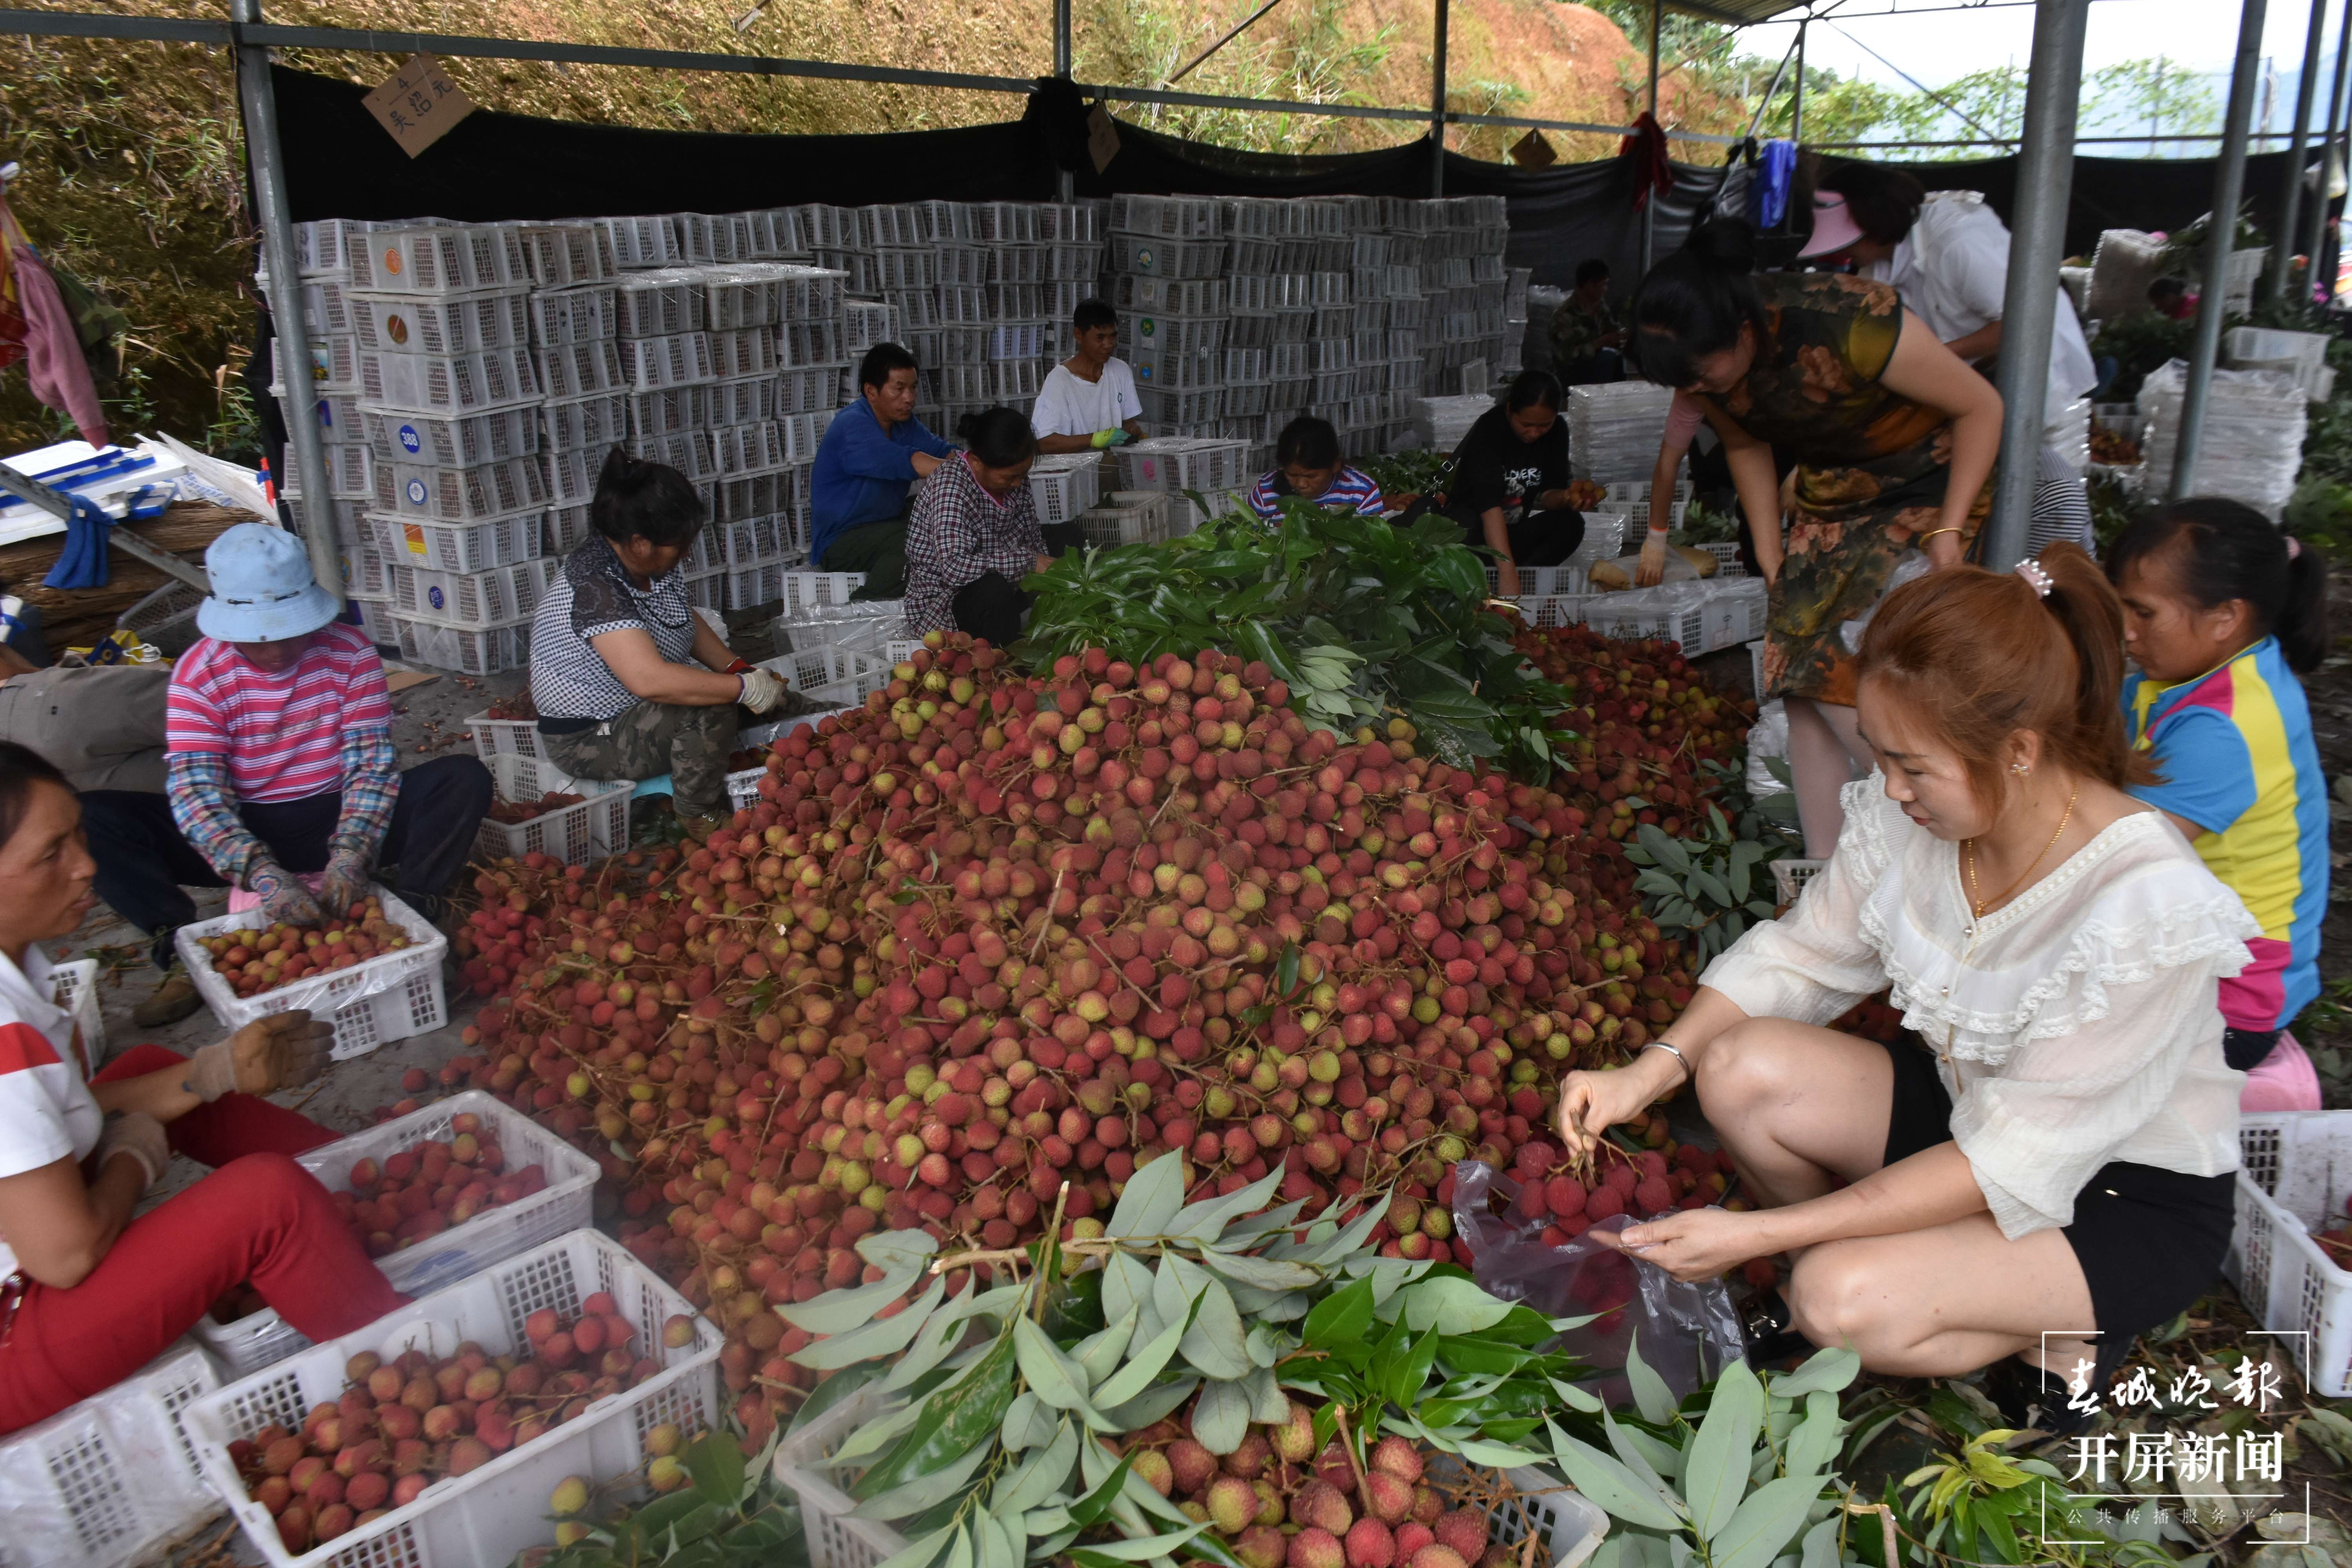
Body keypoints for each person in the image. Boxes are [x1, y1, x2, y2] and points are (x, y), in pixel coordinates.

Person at [1556, 548, 2252, 1401]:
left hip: (2118, 1192)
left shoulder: (2146, 907)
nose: (1889, 790)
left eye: (1913, 767)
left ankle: (2056, 1327)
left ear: (2020, 750)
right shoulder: (1918, 826)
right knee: (1736, 1066)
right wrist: (1649, 1070)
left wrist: (1761, 1233)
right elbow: (1798, 955)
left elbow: (2008, 1158)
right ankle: (1885, 1276)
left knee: (1838, 1297)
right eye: (1880, 757)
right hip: (1970, 1112)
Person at [0, 742, 405, 1433]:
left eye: (78, 835)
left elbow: (63, 1113)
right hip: (17, 1334)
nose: (86, 865)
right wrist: (133, 1157)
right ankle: (407, 1365)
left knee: (145, 1069)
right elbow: (64, 1256)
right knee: (266, 1198)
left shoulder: (19, 970)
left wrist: (216, 1072)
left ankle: (380, 1186)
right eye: (50, 854)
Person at [1630, 218, 2004, 860]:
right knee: (1796, 677)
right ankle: (1828, 867)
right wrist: (1770, 552)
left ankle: (1957, 823)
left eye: (1700, 373)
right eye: (1681, 381)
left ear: (1743, 328)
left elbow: (1981, 407)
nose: (1694, 389)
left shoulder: (1849, 318)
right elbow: (1746, 443)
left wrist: (1949, 529)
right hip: (1833, 496)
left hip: (1930, 487)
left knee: (1871, 673)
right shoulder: (1707, 374)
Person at [78, 524, 492, 1026]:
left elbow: (370, 766)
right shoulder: (198, 675)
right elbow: (198, 792)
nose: (276, 651)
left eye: (289, 632)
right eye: (259, 638)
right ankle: (183, 950)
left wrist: (352, 851)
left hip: (337, 813)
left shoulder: (350, 652)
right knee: (92, 820)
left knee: (463, 779)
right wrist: (259, 870)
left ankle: (410, 914)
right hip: (247, 824)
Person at [2110, 500, 2330, 1111]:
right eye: (2121, 606)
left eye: (2144, 612)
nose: (2127, 631)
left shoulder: (2223, 728)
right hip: (2202, 966)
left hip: (2229, 1004)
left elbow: (2107, 857)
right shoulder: (2205, 674)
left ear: (2226, 617)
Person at [529, 451, 786, 834]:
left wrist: (740, 670)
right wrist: (741, 688)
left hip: (635, 712)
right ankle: (697, 814)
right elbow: (650, 680)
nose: (686, 553)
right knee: (711, 707)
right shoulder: (595, 587)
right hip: (591, 736)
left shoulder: (647, 564)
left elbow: (682, 617)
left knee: (769, 698)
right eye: (679, 545)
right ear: (639, 543)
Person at [1797, 163, 2097, 427]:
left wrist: (1930, 359)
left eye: (1846, 240)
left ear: (1874, 224)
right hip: (1972, 391)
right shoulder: (1875, 264)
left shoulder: (1959, 244)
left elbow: (2022, 325)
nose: (1840, 251)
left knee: (2035, 468)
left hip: (2038, 382)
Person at [810, 343, 955, 599]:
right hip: (842, 541)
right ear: (871, 391)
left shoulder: (904, 423)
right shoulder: (852, 424)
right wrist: (968, 474)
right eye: (899, 389)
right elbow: (907, 462)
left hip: (886, 524)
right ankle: (863, 608)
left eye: (913, 388)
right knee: (915, 539)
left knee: (941, 518)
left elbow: (942, 450)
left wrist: (965, 463)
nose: (909, 398)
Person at [904, 409, 1053, 646]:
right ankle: (1003, 660)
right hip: (945, 603)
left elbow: (1034, 539)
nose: (1018, 483)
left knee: (1065, 538)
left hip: (1005, 578)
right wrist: (1029, 561)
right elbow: (954, 568)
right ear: (976, 462)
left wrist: (1052, 579)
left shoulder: (1017, 481)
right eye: (1009, 477)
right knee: (993, 589)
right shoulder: (950, 487)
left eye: (1023, 474)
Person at [1439, 370, 1586, 597]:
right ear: (1510, 411)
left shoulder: (1557, 431)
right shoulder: (1490, 428)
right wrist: (1507, 574)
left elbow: (1548, 495)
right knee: (1468, 530)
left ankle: (1527, 579)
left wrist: (1567, 498)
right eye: (1526, 424)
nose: (1534, 433)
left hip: (1511, 533)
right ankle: (1492, 581)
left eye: (1544, 425)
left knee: (1571, 523)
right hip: (1472, 536)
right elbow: (1489, 508)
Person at [1031, 301, 1146, 455]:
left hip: (1112, 464)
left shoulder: (1121, 370)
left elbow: (1128, 422)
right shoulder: (1059, 380)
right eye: (1100, 338)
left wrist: (1132, 432)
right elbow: (1043, 443)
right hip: (1076, 469)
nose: (1108, 345)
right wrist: (1094, 439)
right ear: (1079, 335)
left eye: (1113, 337)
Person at [1246, 417, 1384, 524]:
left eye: (1311, 476)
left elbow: (1373, 544)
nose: (1301, 484)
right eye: (1292, 475)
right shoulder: (1265, 492)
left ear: (1336, 465)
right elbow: (1249, 535)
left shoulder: (1362, 492)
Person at [1550, 260, 1627, 386]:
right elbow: (1566, 357)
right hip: (1570, 374)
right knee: (1607, 358)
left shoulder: (1600, 307)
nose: (1606, 289)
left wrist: (1622, 335)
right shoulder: (1564, 316)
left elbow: (1612, 330)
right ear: (1590, 285)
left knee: (1621, 359)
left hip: (1596, 366)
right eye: (1604, 285)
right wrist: (1600, 343)